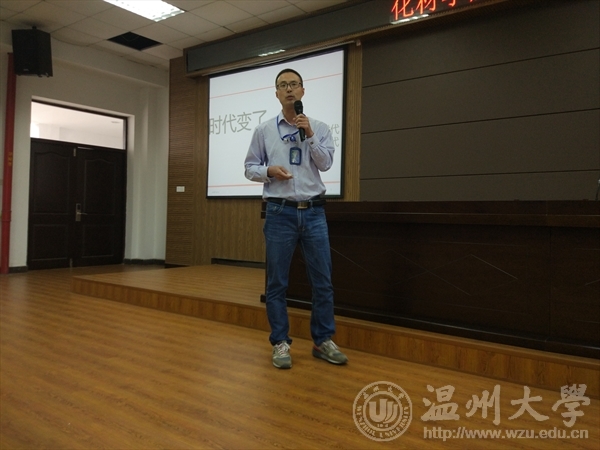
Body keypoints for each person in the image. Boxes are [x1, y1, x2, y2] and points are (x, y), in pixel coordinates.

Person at [244, 68, 348, 369]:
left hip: (314, 212)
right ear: (277, 93)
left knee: (323, 281)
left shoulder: (320, 127)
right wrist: (269, 171)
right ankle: (280, 342)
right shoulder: (264, 130)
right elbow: (249, 168)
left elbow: (326, 164)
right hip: (280, 212)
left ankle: (322, 341)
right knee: (277, 283)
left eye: (294, 84)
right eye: (283, 85)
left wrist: (310, 135)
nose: (289, 89)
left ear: (303, 91)